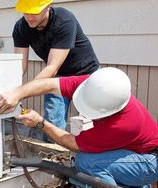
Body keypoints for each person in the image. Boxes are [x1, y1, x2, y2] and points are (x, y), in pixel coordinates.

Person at [0, 67, 158, 188]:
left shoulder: (122, 124)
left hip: (149, 163)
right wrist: (17, 93)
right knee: (88, 167)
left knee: (86, 163)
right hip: (134, 152)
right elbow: (48, 84)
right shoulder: (95, 86)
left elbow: (73, 144)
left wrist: (40, 123)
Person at [12, 0, 99, 142]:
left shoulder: (64, 20)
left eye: (34, 12)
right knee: (52, 123)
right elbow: (20, 64)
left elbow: (52, 67)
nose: (29, 17)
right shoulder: (21, 27)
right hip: (59, 77)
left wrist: (23, 92)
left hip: (86, 74)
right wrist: (13, 90)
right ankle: (53, 160)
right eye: (26, 11)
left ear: (48, 7)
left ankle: (88, 160)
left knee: (89, 124)